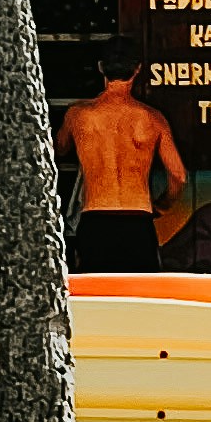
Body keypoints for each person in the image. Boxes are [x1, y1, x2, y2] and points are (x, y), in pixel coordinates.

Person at [56, 47, 186, 269]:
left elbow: (58, 150)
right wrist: (162, 206)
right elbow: (178, 176)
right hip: (138, 220)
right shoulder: (153, 119)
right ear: (137, 69)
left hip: (95, 219)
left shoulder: (77, 115)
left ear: (100, 68)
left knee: (96, 297)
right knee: (140, 297)